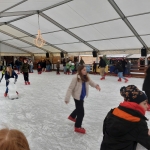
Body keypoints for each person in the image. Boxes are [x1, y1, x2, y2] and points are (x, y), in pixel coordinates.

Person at [100, 85, 150, 150]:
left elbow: (105, 132)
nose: (147, 106)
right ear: (136, 104)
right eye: (144, 103)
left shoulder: (112, 113)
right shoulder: (138, 123)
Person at [65, 65, 101, 134]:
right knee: (81, 113)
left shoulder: (86, 76)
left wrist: (96, 85)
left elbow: (91, 82)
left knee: (79, 108)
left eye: (85, 69)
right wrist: (67, 98)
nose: (85, 71)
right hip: (77, 97)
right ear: (80, 71)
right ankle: (77, 126)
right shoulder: (76, 78)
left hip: (82, 96)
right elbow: (70, 88)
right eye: (84, 70)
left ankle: (72, 116)